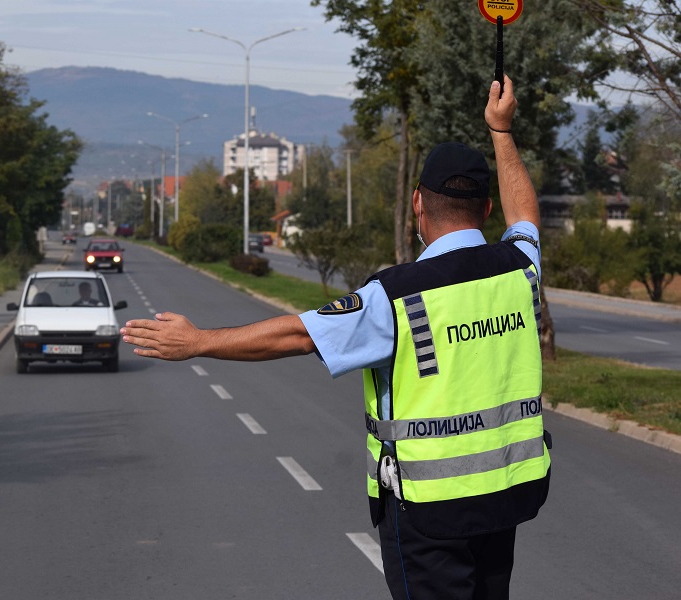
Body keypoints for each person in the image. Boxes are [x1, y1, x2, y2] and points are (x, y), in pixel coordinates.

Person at [121, 75, 550, 600]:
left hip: (427, 510)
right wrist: (501, 131)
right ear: (485, 210)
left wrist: (198, 341)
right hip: (506, 493)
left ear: (417, 203)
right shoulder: (518, 268)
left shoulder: (396, 296)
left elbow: (299, 336)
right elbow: (526, 213)